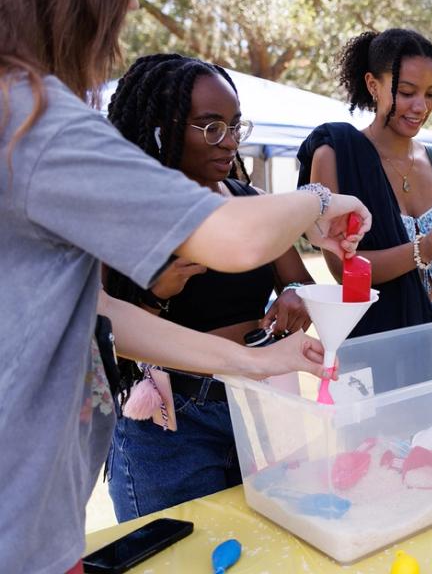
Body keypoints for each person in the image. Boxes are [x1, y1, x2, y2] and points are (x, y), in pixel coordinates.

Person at [0, 0, 369, 574]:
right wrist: (322, 201)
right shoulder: (32, 118)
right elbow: (233, 238)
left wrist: (253, 360)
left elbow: (99, 313)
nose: (121, 13)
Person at [103, 53, 318, 521]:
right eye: (210, 126)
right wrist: (155, 294)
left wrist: (294, 296)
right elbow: (106, 332)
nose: (229, 142)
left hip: (256, 409)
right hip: (172, 423)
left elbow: (302, 283)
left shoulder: (249, 203)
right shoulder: (130, 213)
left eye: (236, 126)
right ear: (162, 127)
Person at [298, 28, 432, 335]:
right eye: (407, 92)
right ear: (373, 85)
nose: (421, 107)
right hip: (382, 340)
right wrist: (421, 250)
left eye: (431, 93)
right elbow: (342, 270)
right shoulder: (336, 155)